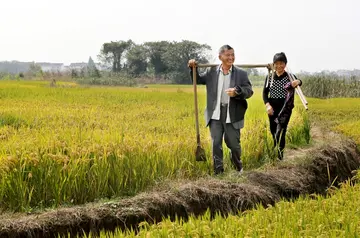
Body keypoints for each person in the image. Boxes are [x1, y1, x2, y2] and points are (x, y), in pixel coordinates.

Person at [188, 45, 253, 175]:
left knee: (234, 144)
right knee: (215, 144)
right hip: (215, 113)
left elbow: (249, 91)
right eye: (228, 55)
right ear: (220, 57)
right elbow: (199, 80)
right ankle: (219, 172)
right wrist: (192, 68)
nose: (231, 57)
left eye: (232, 55)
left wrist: (237, 91)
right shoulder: (212, 71)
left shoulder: (241, 73)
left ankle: (238, 168)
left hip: (232, 113)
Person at [262, 52, 302, 160]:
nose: (279, 66)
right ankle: (274, 153)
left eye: (282, 63)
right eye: (277, 63)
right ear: (273, 64)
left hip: (285, 108)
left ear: (285, 64)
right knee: (273, 130)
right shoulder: (270, 77)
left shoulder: (289, 76)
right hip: (272, 107)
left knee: (281, 130)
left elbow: (299, 82)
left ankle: (280, 157)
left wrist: (297, 82)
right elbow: (265, 93)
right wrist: (267, 105)